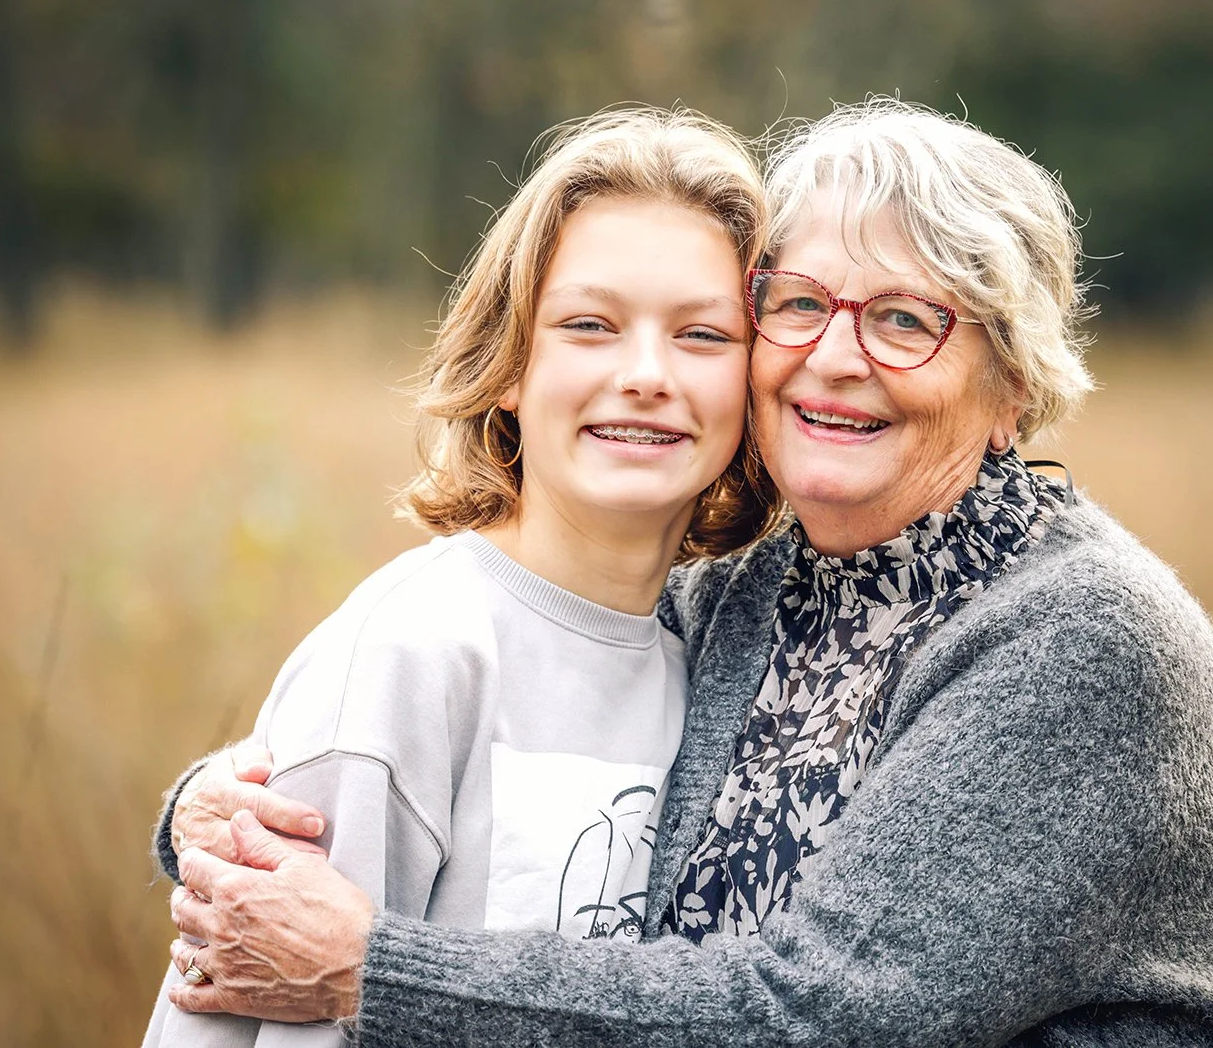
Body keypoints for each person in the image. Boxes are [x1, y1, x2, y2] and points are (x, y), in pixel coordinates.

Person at [153, 100, 1213, 1046]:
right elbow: (535, 693)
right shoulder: (743, 603)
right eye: (797, 304)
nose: (834, 357)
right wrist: (228, 809)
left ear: (1013, 385)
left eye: (905, 318)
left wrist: (371, 969)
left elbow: (812, 1019)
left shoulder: (1080, 639)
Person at [140, 107, 780, 1047]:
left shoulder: (713, 663)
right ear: (510, 365)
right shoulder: (411, 653)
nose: (646, 373)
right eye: (590, 325)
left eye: (703, 335)